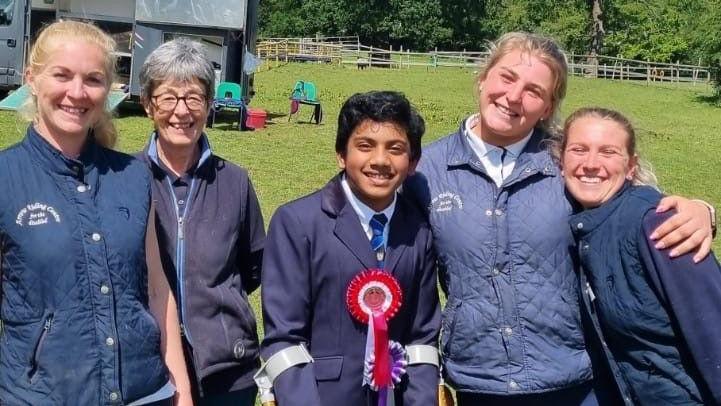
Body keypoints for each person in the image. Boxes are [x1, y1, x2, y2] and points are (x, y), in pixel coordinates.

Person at [404, 32, 716, 405]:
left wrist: (700, 210)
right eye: (506, 77)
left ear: (549, 107)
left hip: (577, 378)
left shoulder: (565, 164)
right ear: (482, 77)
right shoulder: (426, 171)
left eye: (534, 90)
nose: (514, 96)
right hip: (479, 380)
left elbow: (628, 207)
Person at [0, 20, 191, 405]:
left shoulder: (133, 176)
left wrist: (182, 393)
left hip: (145, 393)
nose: (77, 92)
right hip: (42, 396)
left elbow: (158, 289)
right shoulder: (6, 178)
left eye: (92, 79)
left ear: (108, 91)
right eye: (62, 75)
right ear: (31, 78)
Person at [260, 91, 440, 406]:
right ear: (341, 154)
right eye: (365, 146)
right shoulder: (297, 223)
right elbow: (284, 340)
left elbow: (421, 338)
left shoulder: (419, 231)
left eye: (395, 149)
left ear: (412, 162)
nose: (380, 161)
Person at [558, 107, 721, 405]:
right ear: (562, 159)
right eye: (579, 149)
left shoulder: (659, 226)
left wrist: (703, 211)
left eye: (608, 152)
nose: (591, 164)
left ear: (631, 166)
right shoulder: (583, 224)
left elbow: (714, 328)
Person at [138, 38, 265, 406]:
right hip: (148, 366)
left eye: (194, 98)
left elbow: (254, 267)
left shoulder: (235, 181)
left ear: (209, 105)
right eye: (168, 97)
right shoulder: (126, 180)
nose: (182, 111)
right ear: (148, 104)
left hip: (227, 367)